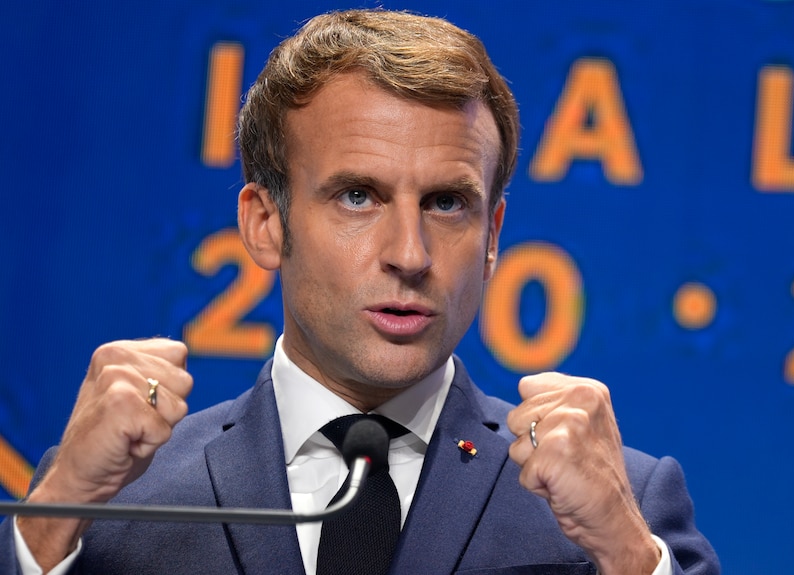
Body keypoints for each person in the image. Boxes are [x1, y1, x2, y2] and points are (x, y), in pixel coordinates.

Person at [1, 8, 719, 575]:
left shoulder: (625, 503)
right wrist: (47, 524)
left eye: (446, 203)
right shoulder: (108, 497)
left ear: (493, 234)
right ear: (265, 223)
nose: (410, 255)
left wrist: (628, 555)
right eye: (357, 196)